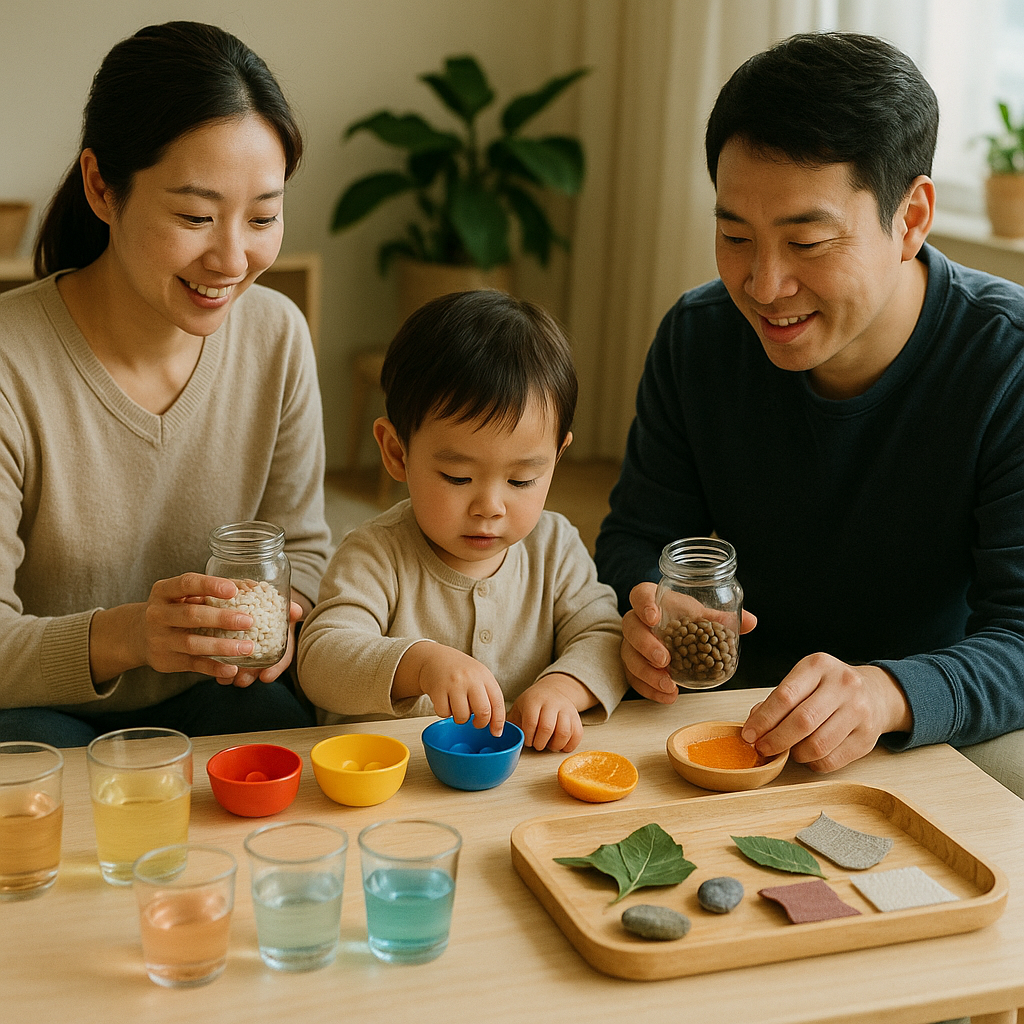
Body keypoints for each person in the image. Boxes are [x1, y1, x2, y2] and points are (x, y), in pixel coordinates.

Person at [595, 31, 1024, 793]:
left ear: (912, 217)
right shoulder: (698, 338)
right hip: (731, 716)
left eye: (809, 241)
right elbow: (639, 535)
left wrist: (886, 693)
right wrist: (649, 610)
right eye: (734, 236)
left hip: (922, 720)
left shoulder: (1006, 362)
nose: (764, 286)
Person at [0, 22, 331, 745]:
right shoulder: (11, 364)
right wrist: (132, 637)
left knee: (284, 733)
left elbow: (303, 548)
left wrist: (283, 617)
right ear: (101, 186)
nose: (232, 259)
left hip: (217, 695)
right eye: (195, 216)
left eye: (263, 216)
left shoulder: (277, 335)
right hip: (36, 706)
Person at [297, 290, 626, 752]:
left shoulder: (554, 548)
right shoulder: (375, 553)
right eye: (458, 477)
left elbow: (605, 636)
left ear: (557, 457)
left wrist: (563, 689)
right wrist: (419, 664)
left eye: (522, 480)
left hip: (514, 780)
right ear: (396, 452)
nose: (489, 506)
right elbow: (320, 659)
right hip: (388, 778)